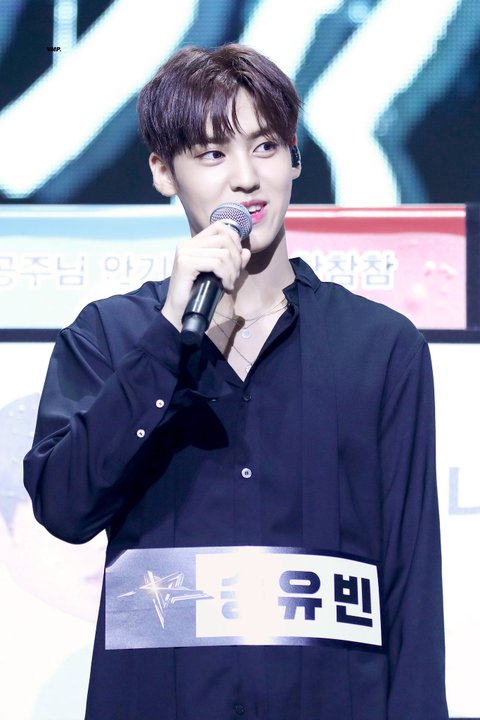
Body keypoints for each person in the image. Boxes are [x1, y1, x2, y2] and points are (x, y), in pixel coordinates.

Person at [24, 44, 449, 719]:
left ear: (295, 160)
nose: (247, 179)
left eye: (266, 146)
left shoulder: (381, 346)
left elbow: (411, 575)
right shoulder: (110, 335)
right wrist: (168, 338)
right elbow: (64, 507)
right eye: (212, 154)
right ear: (164, 172)